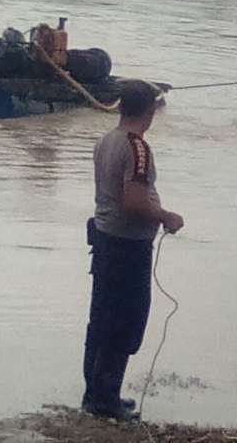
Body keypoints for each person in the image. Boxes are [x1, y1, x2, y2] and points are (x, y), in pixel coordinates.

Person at [82, 80, 184, 421]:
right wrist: (166, 216)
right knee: (125, 322)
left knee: (100, 319)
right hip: (128, 247)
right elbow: (134, 201)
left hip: (105, 240)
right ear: (150, 111)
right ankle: (106, 398)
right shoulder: (136, 147)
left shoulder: (104, 140)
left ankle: (94, 394)